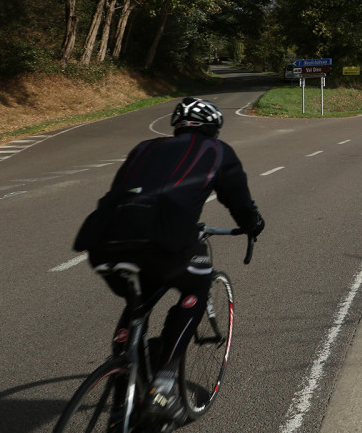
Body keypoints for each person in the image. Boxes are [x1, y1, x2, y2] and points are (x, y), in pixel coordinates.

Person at [73, 96, 265, 424]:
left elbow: (121, 190)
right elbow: (239, 202)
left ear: (178, 125)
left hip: (104, 240)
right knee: (197, 284)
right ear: (213, 127)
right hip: (163, 238)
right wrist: (252, 225)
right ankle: (162, 385)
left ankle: (123, 391)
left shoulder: (144, 148)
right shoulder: (217, 151)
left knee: (137, 304)